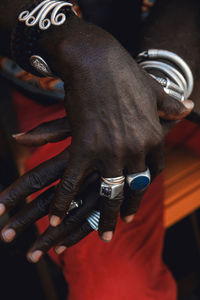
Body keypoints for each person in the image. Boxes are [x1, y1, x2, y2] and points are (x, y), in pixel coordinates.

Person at [0, 0, 200, 299]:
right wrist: (75, 43)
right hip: (61, 108)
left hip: (184, 57)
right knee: (114, 289)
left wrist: (159, 84)